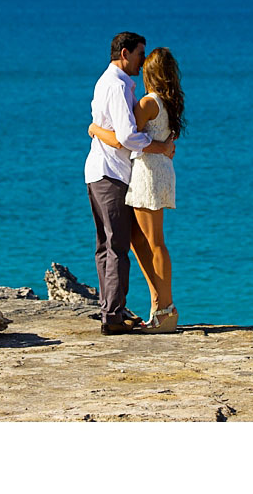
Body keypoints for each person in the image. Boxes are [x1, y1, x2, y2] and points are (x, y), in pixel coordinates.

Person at [84, 33, 176, 336]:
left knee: (111, 245)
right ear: (125, 53)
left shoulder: (112, 83)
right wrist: (159, 146)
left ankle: (118, 308)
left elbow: (120, 133)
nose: (141, 60)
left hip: (105, 171)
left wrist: (95, 129)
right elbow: (127, 136)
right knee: (117, 245)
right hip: (111, 173)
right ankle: (114, 313)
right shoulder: (120, 85)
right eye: (139, 54)